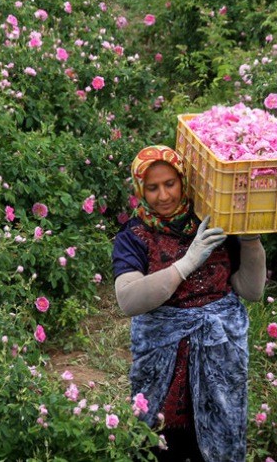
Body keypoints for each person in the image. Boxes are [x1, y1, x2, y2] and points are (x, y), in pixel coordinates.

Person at [112, 145, 266, 462]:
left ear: (184, 181)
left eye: (170, 183)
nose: (163, 195)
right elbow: (128, 300)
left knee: (214, 444)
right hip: (163, 362)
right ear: (140, 189)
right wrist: (187, 263)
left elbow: (250, 290)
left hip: (219, 356)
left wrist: (251, 239)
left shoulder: (212, 223)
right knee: (160, 441)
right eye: (152, 187)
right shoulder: (134, 235)